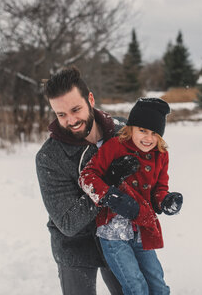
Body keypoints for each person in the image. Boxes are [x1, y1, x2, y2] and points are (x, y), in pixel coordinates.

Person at [36, 66, 136, 294]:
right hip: (76, 247)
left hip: (119, 236)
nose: (70, 120)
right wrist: (106, 184)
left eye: (75, 109)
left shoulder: (123, 132)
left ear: (90, 99)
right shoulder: (49, 157)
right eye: (61, 114)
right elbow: (68, 223)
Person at [79, 97, 184, 295]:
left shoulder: (160, 155)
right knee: (136, 287)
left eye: (154, 133)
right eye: (142, 130)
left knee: (158, 285)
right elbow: (87, 177)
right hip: (113, 231)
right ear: (131, 128)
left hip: (142, 227)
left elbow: (159, 189)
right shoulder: (115, 147)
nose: (148, 138)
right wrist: (110, 197)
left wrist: (165, 201)